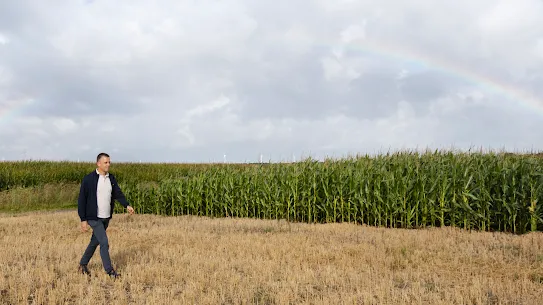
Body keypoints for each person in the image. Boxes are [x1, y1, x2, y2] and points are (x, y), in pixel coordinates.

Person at [77, 152, 135, 279]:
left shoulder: (111, 178)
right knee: (104, 242)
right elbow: (82, 200)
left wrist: (127, 205)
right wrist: (83, 219)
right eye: (106, 162)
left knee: (94, 242)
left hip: (106, 217)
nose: (108, 164)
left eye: (109, 162)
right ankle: (110, 271)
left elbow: (117, 193)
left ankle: (82, 264)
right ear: (98, 163)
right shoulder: (89, 179)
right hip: (93, 217)